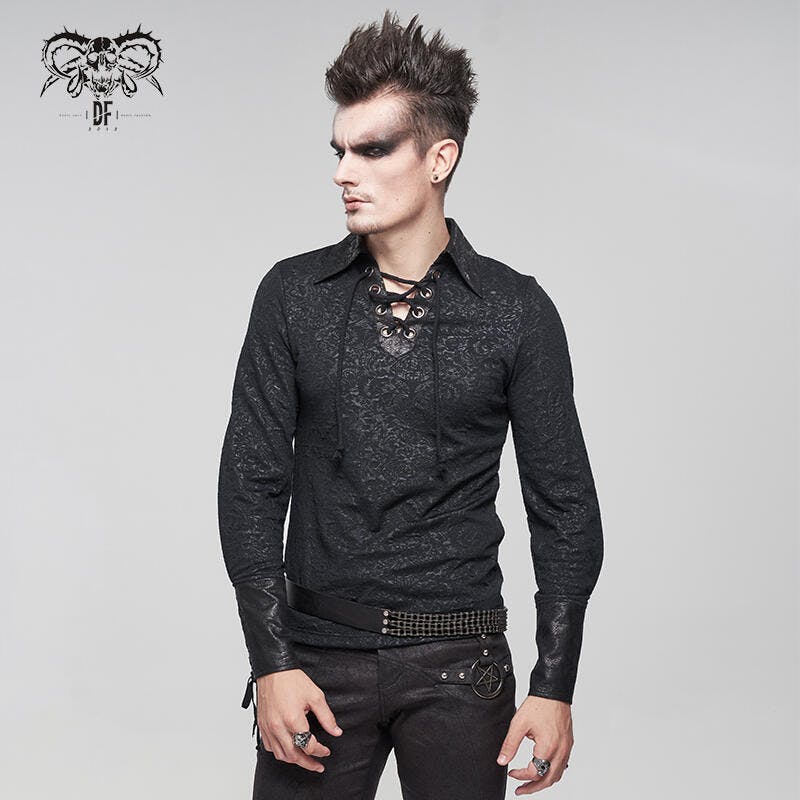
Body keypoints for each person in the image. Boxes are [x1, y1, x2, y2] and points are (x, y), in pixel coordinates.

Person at [217, 10, 603, 799]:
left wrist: (554, 683)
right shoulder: (292, 295)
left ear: (439, 158)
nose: (343, 172)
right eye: (338, 150)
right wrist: (272, 662)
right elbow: (250, 484)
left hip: (462, 665)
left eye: (372, 149)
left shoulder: (515, 310)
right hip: (317, 662)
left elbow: (565, 506)